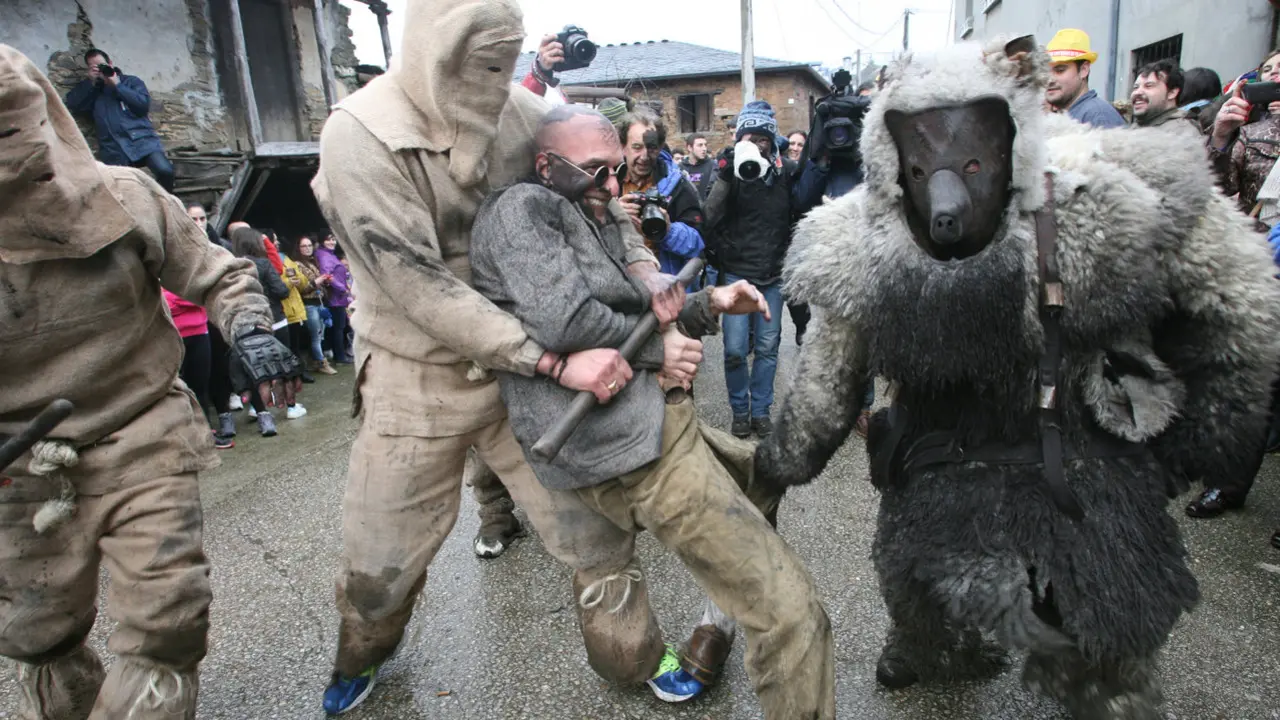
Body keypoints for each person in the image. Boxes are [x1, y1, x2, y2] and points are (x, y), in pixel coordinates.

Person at [756, 35, 1280, 718]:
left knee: (1103, 608)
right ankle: (933, 644)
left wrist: (1208, 426)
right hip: (944, 454)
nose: (947, 199)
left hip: (1076, 452)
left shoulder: (1095, 196)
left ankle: (1085, 676)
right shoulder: (861, 244)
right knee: (926, 575)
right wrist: (784, 458)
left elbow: (1232, 296)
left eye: (974, 161)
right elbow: (827, 381)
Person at [308, 0, 689, 713]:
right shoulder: (358, 133)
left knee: (595, 531)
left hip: (527, 376)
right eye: (478, 62)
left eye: (504, 61)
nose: (493, 81)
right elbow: (416, 285)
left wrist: (644, 272)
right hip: (416, 375)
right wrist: (552, 362)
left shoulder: (528, 115)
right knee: (380, 561)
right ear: (432, 48)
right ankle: (361, 654)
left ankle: (634, 655)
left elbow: (600, 202)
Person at [469, 103, 836, 720]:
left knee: (767, 476)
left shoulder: (590, 211)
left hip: (661, 421)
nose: (612, 186)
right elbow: (569, 322)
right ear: (546, 165)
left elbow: (640, 313)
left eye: (616, 170)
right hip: (633, 451)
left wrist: (709, 302)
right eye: (595, 170)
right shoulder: (522, 210)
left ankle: (716, 623)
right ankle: (735, 630)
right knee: (794, 616)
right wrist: (658, 351)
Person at [0, 44, 302, 719]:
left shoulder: (126, 194)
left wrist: (251, 331)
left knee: (168, 614)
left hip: (139, 427)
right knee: (35, 633)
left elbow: (217, 273)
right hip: (17, 460)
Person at [703, 100, 798, 439]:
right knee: (734, 350)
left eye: (762, 139)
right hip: (736, 274)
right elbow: (708, 216)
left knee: (768, 348)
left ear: (772, 142)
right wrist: (726, 175)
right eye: (749, 138)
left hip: (773, 275)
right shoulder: (730, 172)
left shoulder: (786, 172)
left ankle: (760, 412)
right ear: (739, 140)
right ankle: (740, 412)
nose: (756, 145)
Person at [64, 48, 175, 192]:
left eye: (102, 65)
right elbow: (73, 105)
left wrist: (117, 85)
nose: (100, 70)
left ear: (110, 63)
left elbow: (142, 106)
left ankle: (166, 201)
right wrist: (90, 82)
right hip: (113, 148)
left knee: (165, 171)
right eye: (95, 67)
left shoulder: (130, 82)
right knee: (125, 189)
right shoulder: (93, 91)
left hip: (142, 141)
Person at [617, 108, 706, 279]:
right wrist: (612, 212)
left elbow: (698, 244)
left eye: (651, 148)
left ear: (660, 148)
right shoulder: (607, 182)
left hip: (663, 282)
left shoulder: (678, 185)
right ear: (622, 147)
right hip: (620, 282)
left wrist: (668, 231)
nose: (644, 156)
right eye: (637, 147)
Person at [230, 226, 298, 434]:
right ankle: (291, 407)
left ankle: (256, 408)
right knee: (283, 366)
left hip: (247, 325)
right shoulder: (263, 264)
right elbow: (281, 290)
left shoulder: (232, 267)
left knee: (255, 367)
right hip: (274, 319)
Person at [1044, 29, 1126, 128]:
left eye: (1060, 70)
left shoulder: (1098, 117)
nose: (1049, 80)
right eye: (1045, 72)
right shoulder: (1074, 115)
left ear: (1084, 70)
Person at [293, 235, 339, 375]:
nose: (307, 248)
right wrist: (316, 282)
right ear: (298, 248)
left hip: (320, 303)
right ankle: (321, 363)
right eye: (304, 246)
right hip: (309, 304)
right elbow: (300, 288)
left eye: (309, 245)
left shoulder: (313, 262)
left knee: (320, 335)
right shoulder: (296, 264)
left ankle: (315, 361)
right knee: (316, 336)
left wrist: (325, 281)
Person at [314, 233, 353, 365]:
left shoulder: (328, 254)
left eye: (334, 239)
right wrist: (343, 289)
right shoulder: (325, 256)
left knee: (337, 327)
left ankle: (337, 354)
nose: (332, 242)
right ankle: (340, 357)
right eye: (328, 240)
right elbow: (327, 275)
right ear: (322, 241)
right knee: (338, 328)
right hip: (335, 298)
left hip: (337, 297)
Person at [1129, 59, 1196, 132]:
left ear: (1172, 93)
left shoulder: (1182, 131)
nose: (1137, 92)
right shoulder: (1137, 126)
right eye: (1136, 87)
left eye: (1148, 86)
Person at [680, 132, 716, 200]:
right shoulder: (680, 168)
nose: (704, 148)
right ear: (690, 148)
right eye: (700, 145)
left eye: (705, 145)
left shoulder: (713, 166)